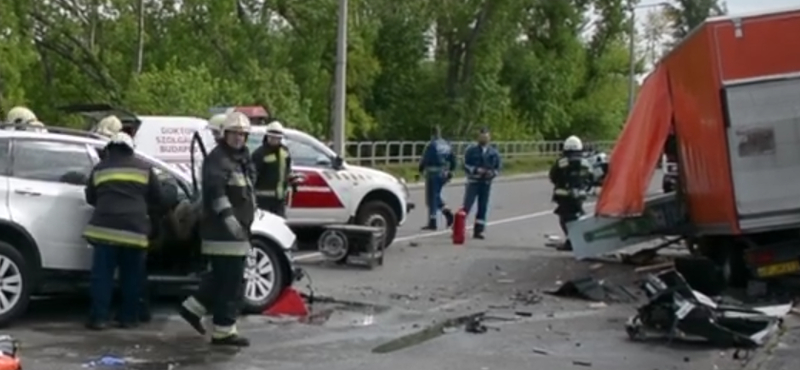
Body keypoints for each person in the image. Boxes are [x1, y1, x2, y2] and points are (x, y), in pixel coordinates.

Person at [178, 111, 255, 347]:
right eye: (234, 134)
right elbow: (216, 192)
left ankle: (192, 309)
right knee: (231, 283)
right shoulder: (218, 159)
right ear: (225, 134)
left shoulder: (240, 159)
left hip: (237, 231)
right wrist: (230, 219)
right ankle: (223, 331)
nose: (238, 138)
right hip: (224, 232)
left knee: (221, 279)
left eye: (242, 134)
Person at [83, 132, 163, 330]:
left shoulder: (100, 168)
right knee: (132, 277)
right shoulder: (144, 168)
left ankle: (99, 318)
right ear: (130, 148)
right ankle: (128, 318)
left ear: (110, 148)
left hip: (105, 231)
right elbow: (159, 198)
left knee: (102, 277)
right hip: (134, 232)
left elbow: (90, 197)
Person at [549, 135, 592, 251]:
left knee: (565, 218)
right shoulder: (586, 163)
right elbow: (591, 177)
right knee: (578, 216)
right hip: (580, 196)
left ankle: (571, 241)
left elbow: (553, 176)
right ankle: (579, 239)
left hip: (564, 196)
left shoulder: (561, 162)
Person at [462, 127, 501, 239]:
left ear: (489, 138)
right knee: (467, 205)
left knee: (483, 206)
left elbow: (498, 168)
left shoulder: (493, 152)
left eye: (486, 136)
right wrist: (475, 170)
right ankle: (459, 227)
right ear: (478, 137)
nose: (484, 138)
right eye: (482, 136)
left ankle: (479, 230)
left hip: (486, 183)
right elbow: (465, 164)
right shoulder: (471, 151)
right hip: (474, 181)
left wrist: (492, 173)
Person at [252, 120, 292, 217]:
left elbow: (287, 171)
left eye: (277, 138)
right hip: (263, 201)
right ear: (267, 136)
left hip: (279, 201)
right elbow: (253, 176)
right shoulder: (259, 154)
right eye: (272, 137)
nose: (274, 140)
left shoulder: (285, 152)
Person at [418, 126, 455, 230]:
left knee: (432, 197)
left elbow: (426, 159)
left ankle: (433, 221)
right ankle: (446, 212)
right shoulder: (446, 145)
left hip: (432, 173)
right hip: (443, 173)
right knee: (436, 196)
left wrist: (420, 169)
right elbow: (453, 159)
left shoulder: (432, 145)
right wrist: (451, 171)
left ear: (432, 134)